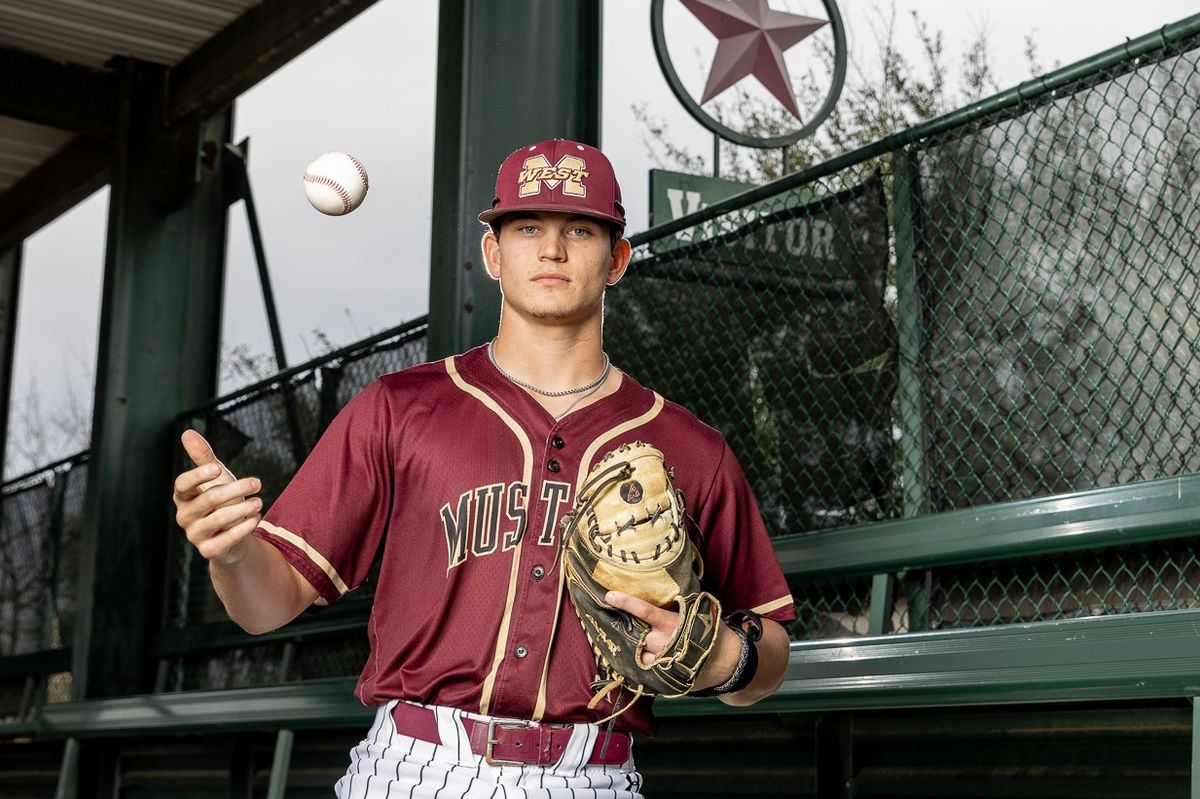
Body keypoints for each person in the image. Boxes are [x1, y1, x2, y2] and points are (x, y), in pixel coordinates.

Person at [173, 138, 796, 798]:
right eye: (527, 227)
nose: (551, 250)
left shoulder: (688, 446)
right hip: (415, 765)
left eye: (579, 229)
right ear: (493, 254)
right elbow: (268, 605)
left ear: (616, 259)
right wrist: (236, 553)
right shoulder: (400, 408)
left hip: (594, 774)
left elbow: (772, 647)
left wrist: (723, 658)